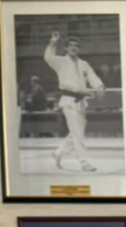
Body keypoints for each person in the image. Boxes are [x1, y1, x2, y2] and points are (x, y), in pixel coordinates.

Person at [43, 31, 105, 172]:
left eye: (76, 46)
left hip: (81, 102)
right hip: (69, 101)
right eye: (70, 45)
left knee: (77, 132)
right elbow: (48, 57)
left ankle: (58, 152)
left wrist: (99, 87)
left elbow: (93, 77)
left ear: (79, 49)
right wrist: (53, 42)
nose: (73, 48)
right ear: (66, 48)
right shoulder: (60, 62)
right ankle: (84, 162)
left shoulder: (84, 64)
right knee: (78, 134)